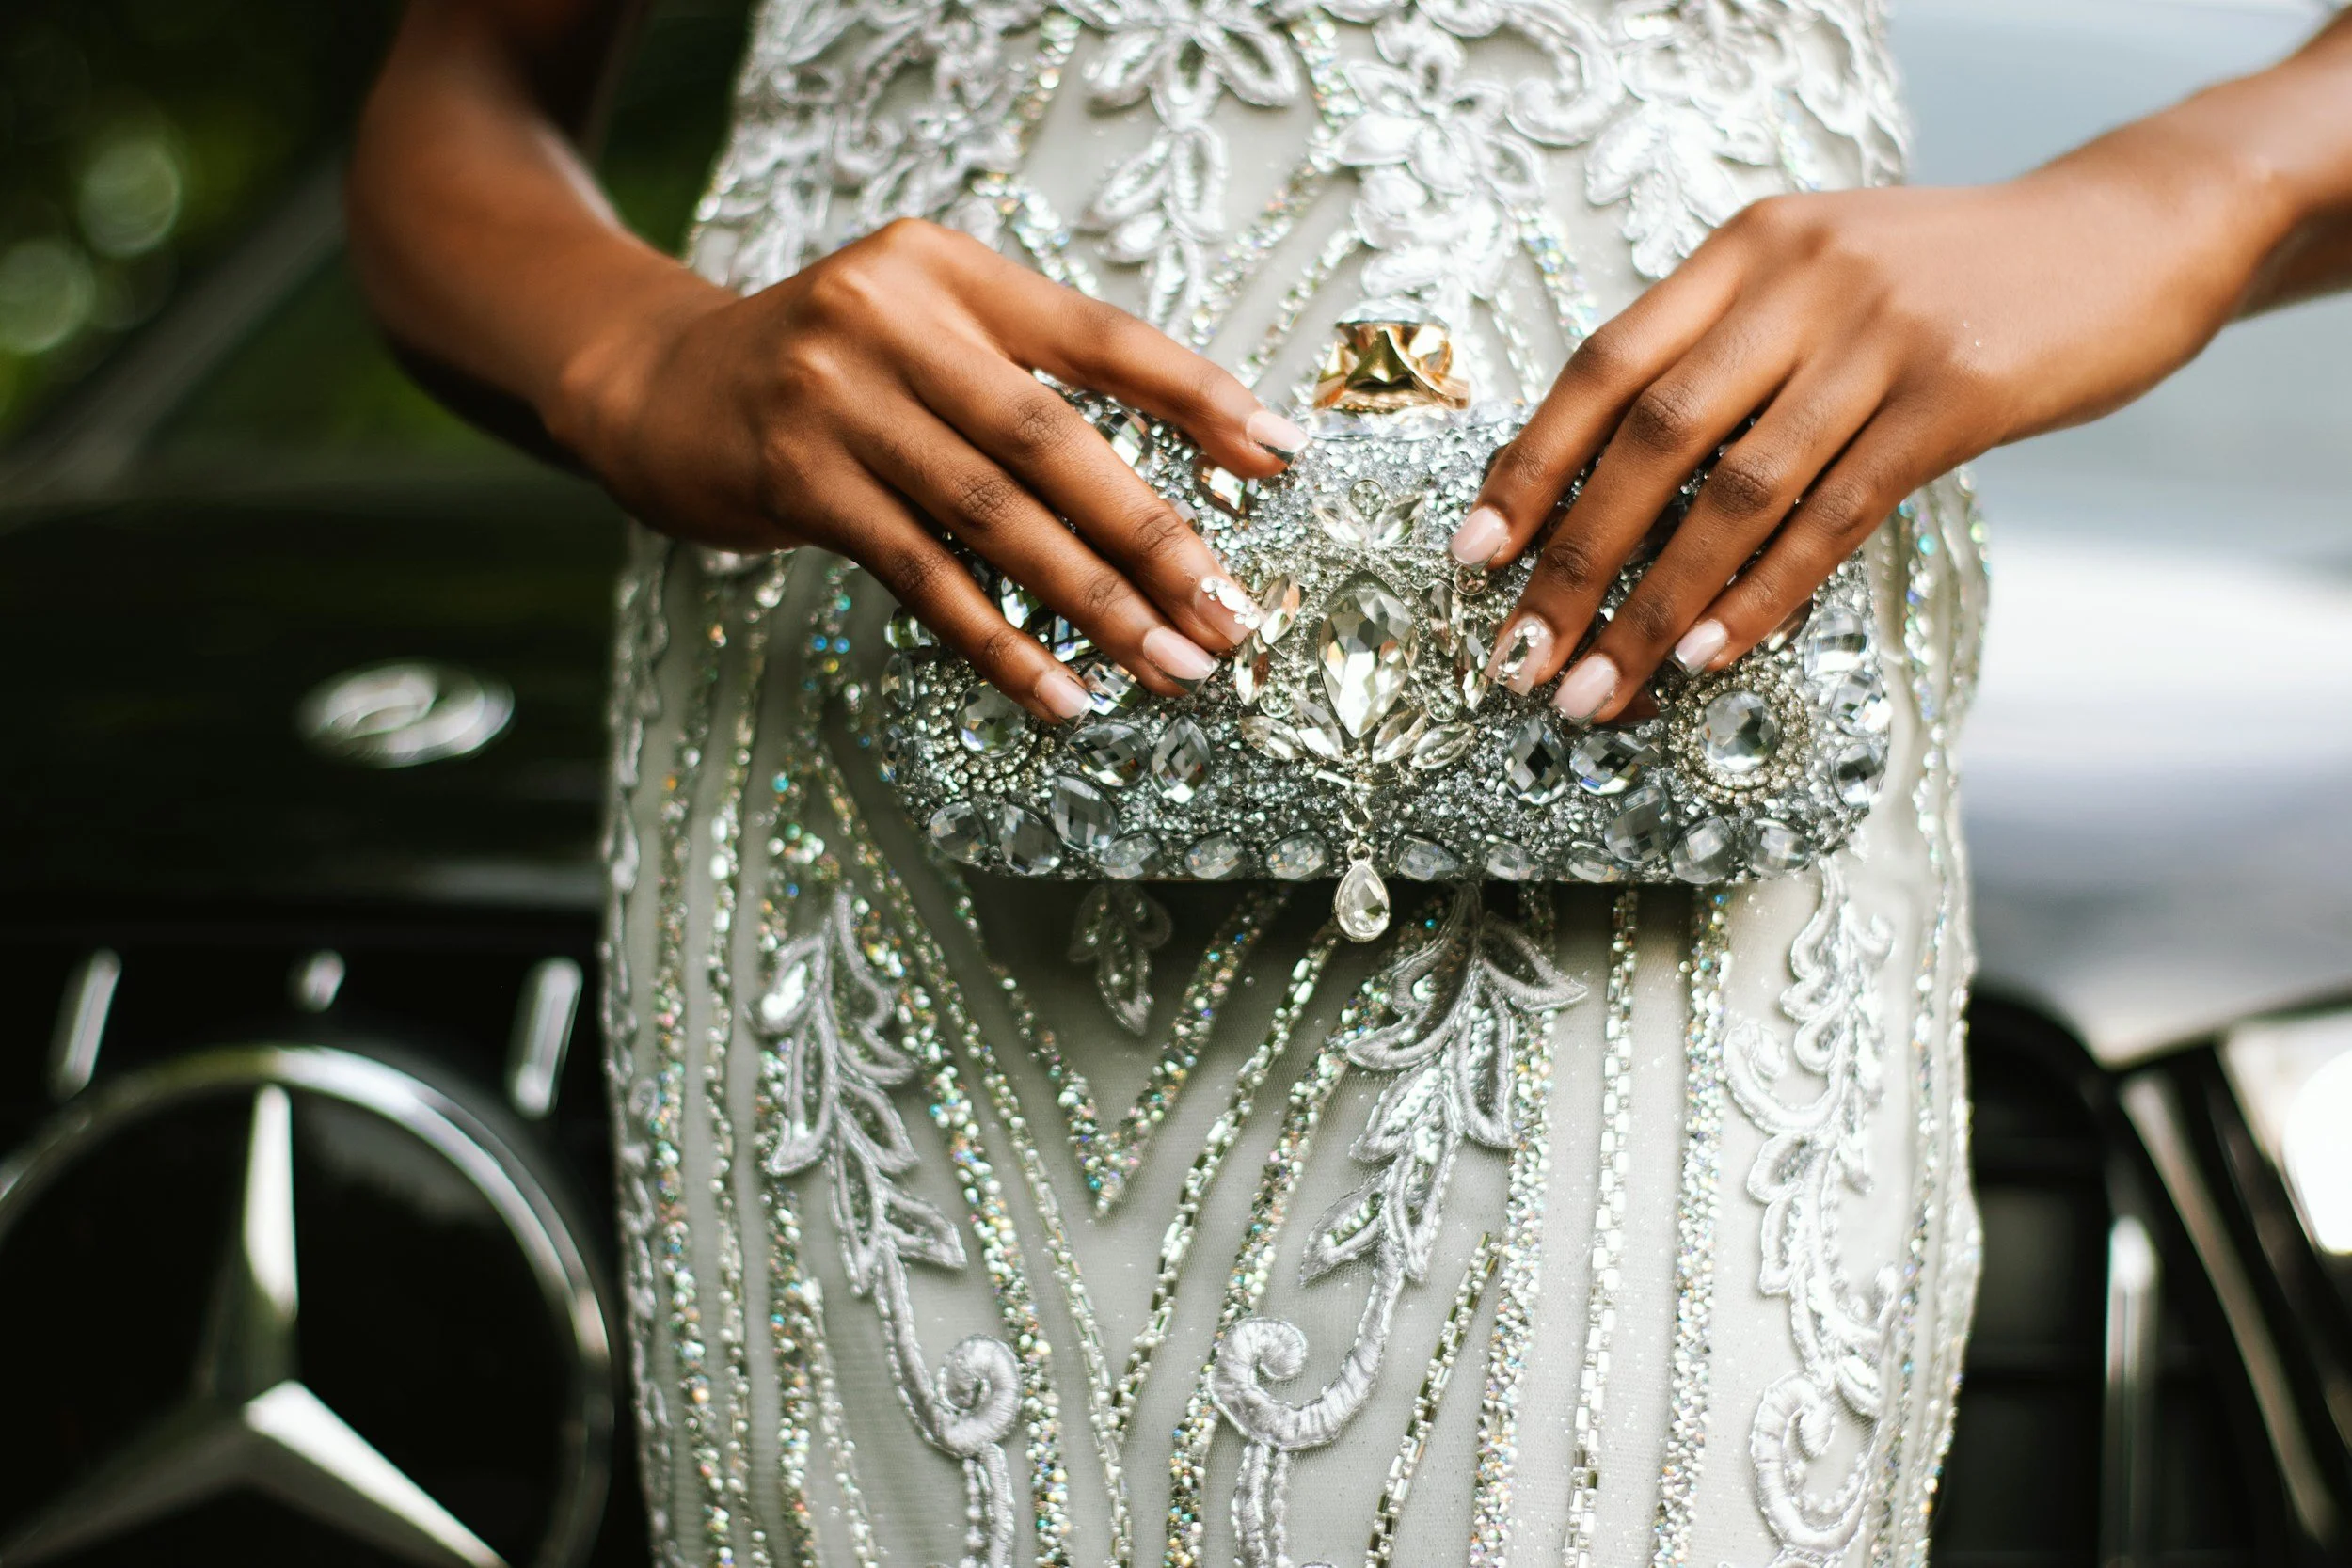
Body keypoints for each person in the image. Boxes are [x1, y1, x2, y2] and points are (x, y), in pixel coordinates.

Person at [348, 2, 2352, 1563]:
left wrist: (2183, 193)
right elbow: (459, 97)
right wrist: (636, 353)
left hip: (1670, 659)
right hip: (869, 633)